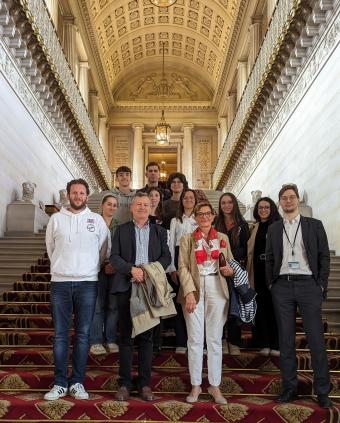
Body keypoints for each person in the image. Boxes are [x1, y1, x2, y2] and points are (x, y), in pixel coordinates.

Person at [265, 184, 332, 408]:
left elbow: (324, 256)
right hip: (282, 286)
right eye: (284, 198)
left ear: (298, 200)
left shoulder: (314, 225)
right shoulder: (274, 228)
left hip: (308, 285)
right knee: (286, 340)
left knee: (315, 339)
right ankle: (289, 388)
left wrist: (321, 285)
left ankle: (322, 390)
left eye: (292, 197)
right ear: (280, 202)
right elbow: (271, 258)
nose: (288, 201)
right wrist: (271, 284)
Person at [44, 179, 109, 401]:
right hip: (60, 283)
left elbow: (103, 249)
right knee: (61, 335)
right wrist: (63, 268)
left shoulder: (97, 220)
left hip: (88, 283)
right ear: (69, 195)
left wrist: (88, 268)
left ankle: (78, 382)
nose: (78, 196)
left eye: (82, 193)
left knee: (83, 335)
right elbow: (50, 249)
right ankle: (60, 383)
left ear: (87, 196)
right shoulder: (56, 219)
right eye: (75, 192)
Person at [111, 192, 171, 401]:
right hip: (126, 286)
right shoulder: (121, 230)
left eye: (146, 205)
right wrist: (131, 270)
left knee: (147, 339)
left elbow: (166, 258)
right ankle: (125, 383)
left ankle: (145, 384)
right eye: (139, 204)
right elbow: (114, 257)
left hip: (150, 288)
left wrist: (148, 272)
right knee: (126, 337)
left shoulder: (160, 232)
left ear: (151, 208)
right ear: (132, 208)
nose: (143, 208)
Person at [178, 201, 234, 404]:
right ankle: (195, 385)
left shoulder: (222, 238)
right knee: (194, 339)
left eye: (207, 214)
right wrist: (189, 292)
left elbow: (229, 264)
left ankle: (215, 385)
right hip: (194, 288)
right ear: (195, 217)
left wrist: (229, 270)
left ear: (213, 216)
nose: (203, 217)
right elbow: (182, 267)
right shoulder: (187, 239)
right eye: (199, 214)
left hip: (217, 288)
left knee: (215, 339)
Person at [214, 192, 250, 355]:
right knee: (220, 305)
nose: (227, 205)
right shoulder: (215, 223)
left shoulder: (242, 224)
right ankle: (221, 338)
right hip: (218, 269)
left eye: (229, 202)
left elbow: (245, 248)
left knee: (236, 303)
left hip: (235, 269)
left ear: (234, 204)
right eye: (223, 203)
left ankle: (234, 341)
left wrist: (229, 256)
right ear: (220, 206)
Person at [247, 196, 281, 356]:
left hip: (274, 271)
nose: (263, 210)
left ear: (272, 208)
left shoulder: (279, 226)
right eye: (260, 207)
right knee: (259, 307)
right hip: (257, 270)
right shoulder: (255, 227)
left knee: (274, 308)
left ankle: (276, 344)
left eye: (266, 207)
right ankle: (264, 342)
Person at [168, 189, 198, 353]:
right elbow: (171, 244)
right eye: (185, 197)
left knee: (196, 298)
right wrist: (172, 268)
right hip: (179, 258)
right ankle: (181, 341)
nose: (188, 200)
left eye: (191, 197)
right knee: (181, 301)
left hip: (196, 258)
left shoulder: (199, 218)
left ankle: (197, 340)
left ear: (195, 200)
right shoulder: (175, 220)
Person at [90, 194, 119, 355]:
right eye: (109, 204)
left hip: (114, 270)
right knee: (97, 306)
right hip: (95, 269)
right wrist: (101, 264)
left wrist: (113, 264)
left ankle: (111, 339)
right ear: (102, 205)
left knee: (113, 306)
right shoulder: (93, 222)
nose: (112, 207)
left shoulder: (119, 225)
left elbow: (121, 248)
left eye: (115, 205)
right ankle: (95, 340)